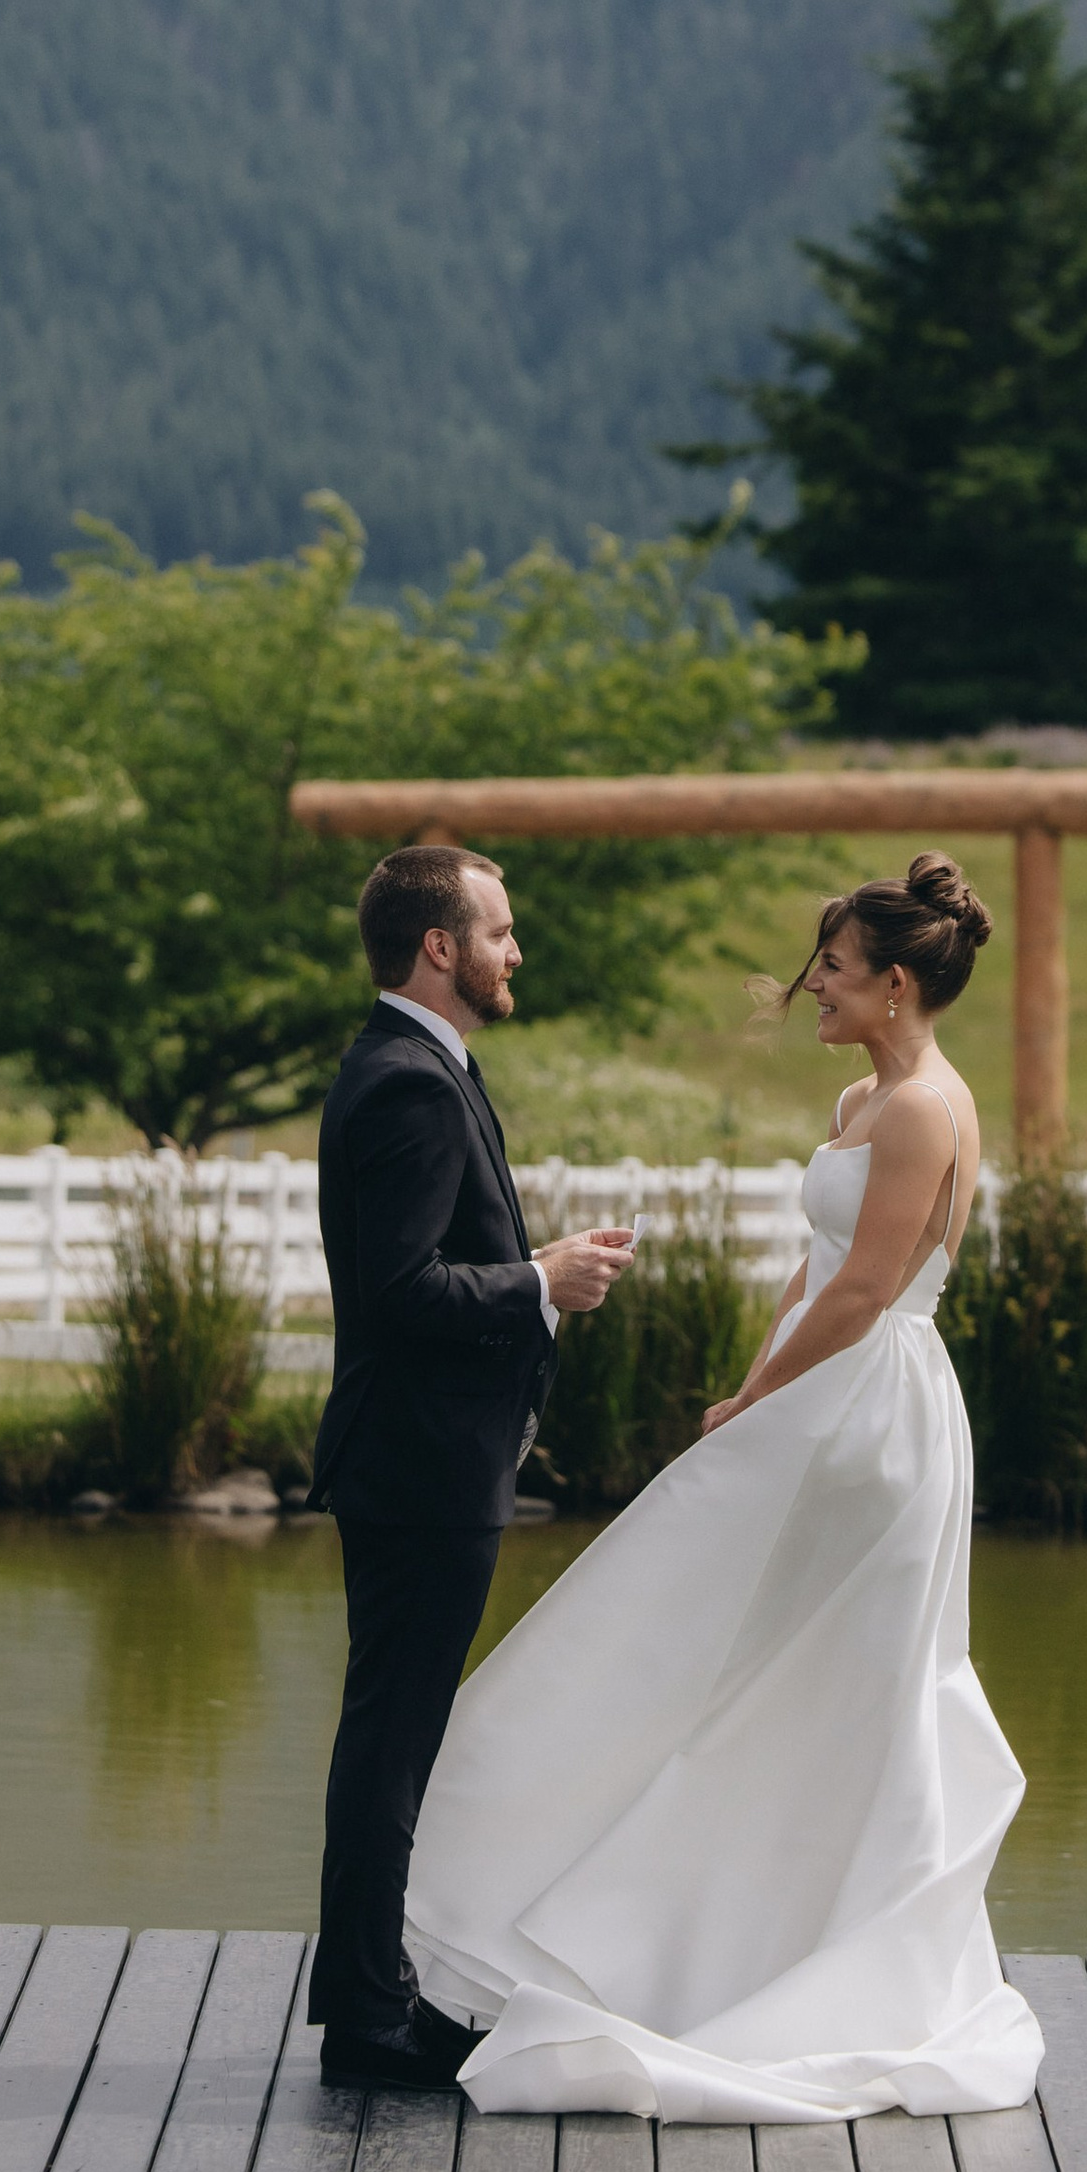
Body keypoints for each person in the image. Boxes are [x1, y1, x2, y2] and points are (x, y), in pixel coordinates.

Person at [405, 853, 1043, 2122]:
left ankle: (797, 1954)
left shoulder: (924, 1110)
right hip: (815, 1391)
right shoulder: (863, 1098)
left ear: (896, 983)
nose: (813, 987)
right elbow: (814, 1271)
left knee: (825, 1677)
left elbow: (867, 1290)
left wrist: (758, 1406)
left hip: (873, 1414)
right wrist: (753, 1384)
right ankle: (665, 1928)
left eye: (834, 969)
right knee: (718, 1648)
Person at [306, 841, 637, 2095]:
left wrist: (532, 1268)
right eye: (498, 932)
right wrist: (539, 1284)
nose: (515, 951)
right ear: (438, 946)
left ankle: (377, 1993)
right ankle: (366, 2017)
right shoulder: (409, 1083)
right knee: (391, 1743)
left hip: (424, 1461)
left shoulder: (415, 1064)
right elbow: (399, 1293)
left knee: (395, 1736)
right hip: (420, 1466)